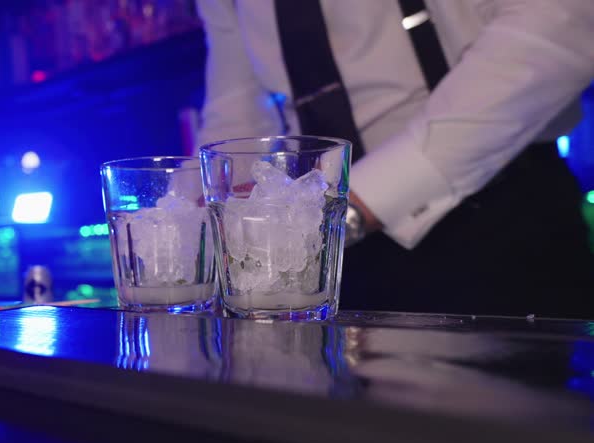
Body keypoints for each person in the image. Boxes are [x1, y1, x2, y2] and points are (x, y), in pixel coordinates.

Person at [194, 0, 594, 318]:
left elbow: (559, 21)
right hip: (322, 247)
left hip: (497, 214)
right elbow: (238, 97)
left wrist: (365, 199)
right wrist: (214, 218)